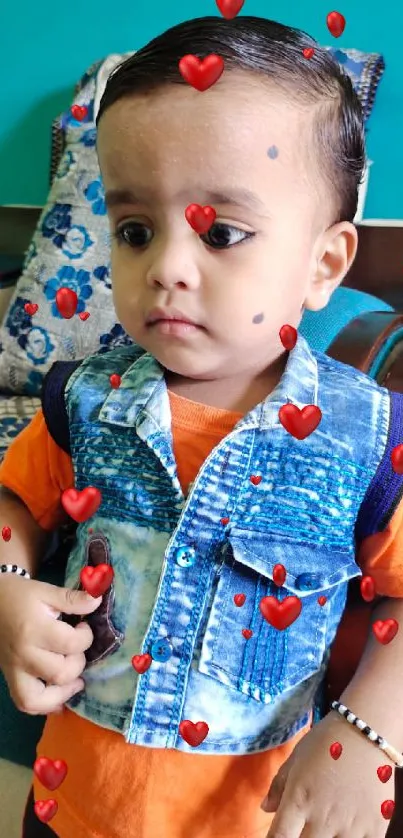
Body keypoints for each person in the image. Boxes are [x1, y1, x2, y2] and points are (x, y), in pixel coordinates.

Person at [0, 14, 402, 838]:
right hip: (72, 799)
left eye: (221, 233)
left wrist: (366, 734)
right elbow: (13, 503)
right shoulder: (82, 400)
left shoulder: (361, 438)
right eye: (135, 230)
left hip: (247, 817)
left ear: (323, 264)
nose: (166, 268)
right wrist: (8, 594)